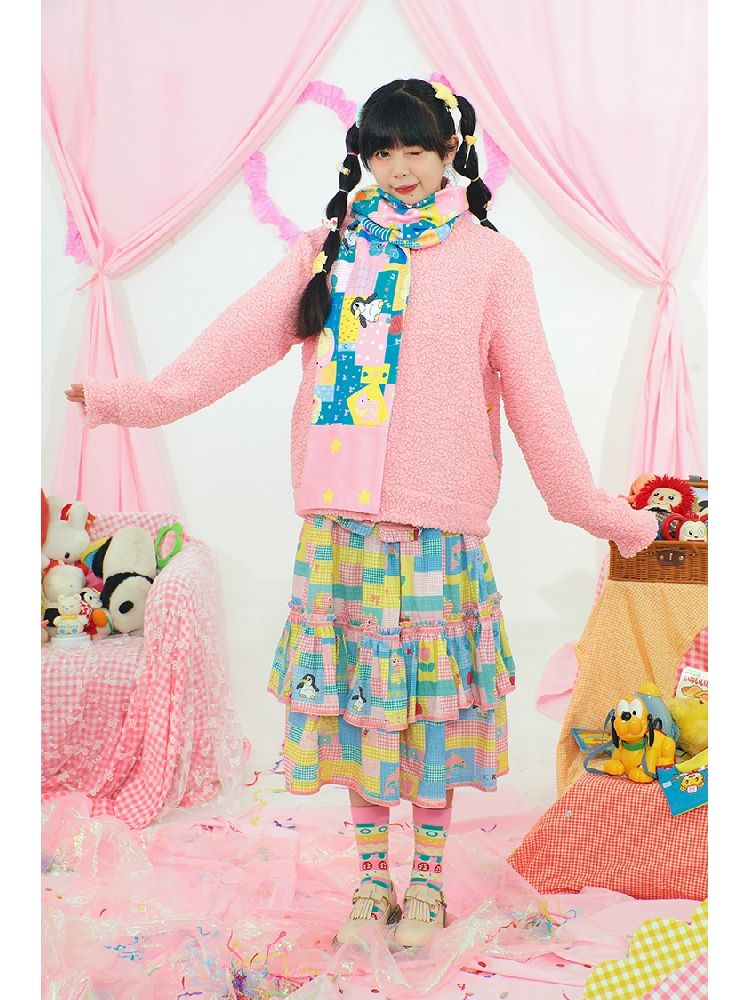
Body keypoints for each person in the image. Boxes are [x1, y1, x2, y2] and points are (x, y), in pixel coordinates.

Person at [65, 78, 657, 948]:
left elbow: (540, 406)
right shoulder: (328, 251)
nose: (399, 167)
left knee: (428, 720)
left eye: (416, 148)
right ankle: (373, 879)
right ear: (363, 157)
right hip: (341, 530)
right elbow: (230, 346)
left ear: (451, 150)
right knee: (358, 714)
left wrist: (609, 517)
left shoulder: (493, 264)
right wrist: (129, 400)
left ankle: (428, 884)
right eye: (382, 151)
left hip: (436, 534)